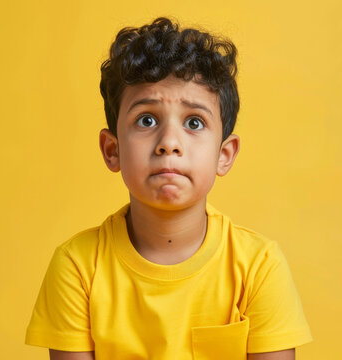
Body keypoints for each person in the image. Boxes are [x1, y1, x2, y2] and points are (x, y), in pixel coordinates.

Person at [25, 17, 312, 360]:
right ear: (112, 150)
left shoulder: (259, 266)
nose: (169, 143)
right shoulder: (77, 267)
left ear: (224, 155)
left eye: (194, 122)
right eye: (147, 119)